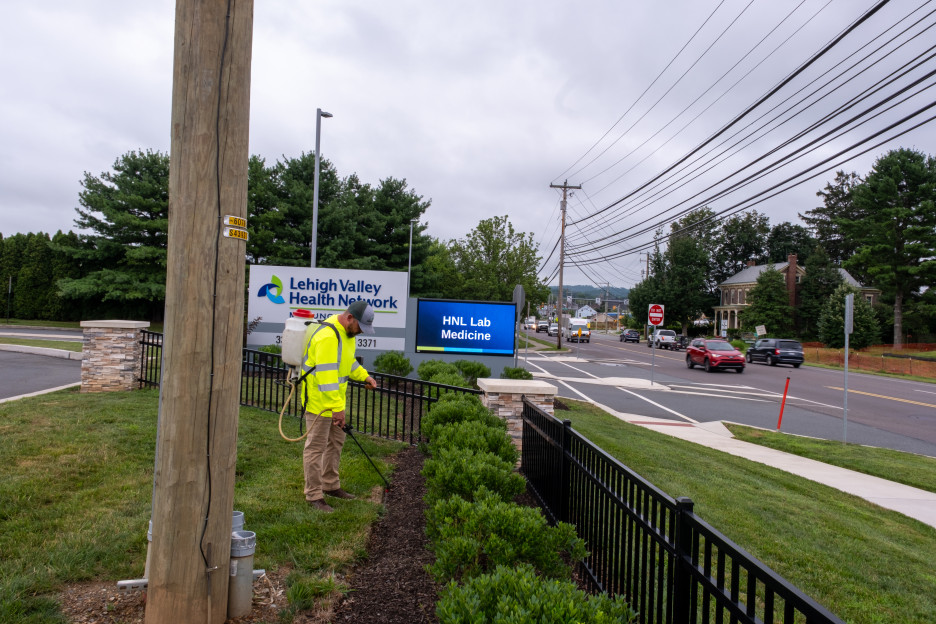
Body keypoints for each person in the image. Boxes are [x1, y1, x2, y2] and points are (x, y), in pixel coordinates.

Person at [301, 300, 378, 512]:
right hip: (319, 403)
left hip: (335, 401)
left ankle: (330, 485)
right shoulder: (328, 337)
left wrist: (364, 376)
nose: (361, 332)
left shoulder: (347, 334)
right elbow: (326, 377)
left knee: (336, 442)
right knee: (315, 448)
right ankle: (314, 495)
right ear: (350, 318)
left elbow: (348, 363)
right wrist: (337, 408)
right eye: (360, 327)